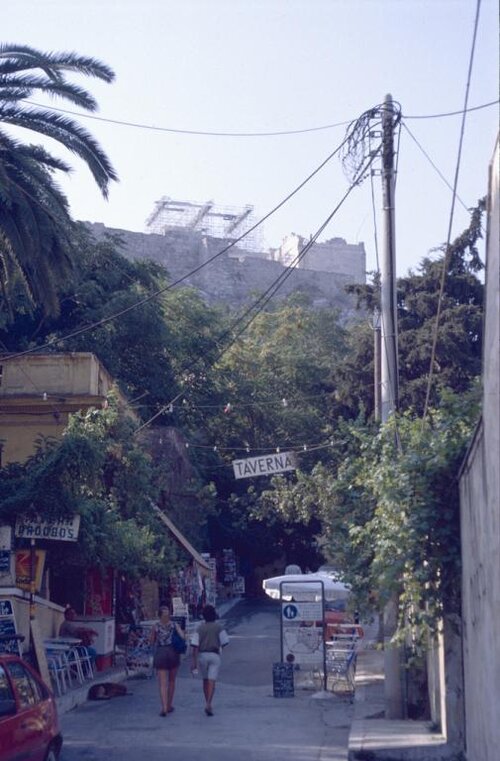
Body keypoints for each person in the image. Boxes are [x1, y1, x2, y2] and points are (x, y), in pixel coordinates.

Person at [190, 604, 229, 716]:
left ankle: (207, 701)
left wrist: (194, 661)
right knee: (212, 680)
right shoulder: (218, 627)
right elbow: (225, 642)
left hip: (202, 656)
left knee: (205, 680)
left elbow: (195, 645)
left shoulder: (200, 628)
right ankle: (209, 703)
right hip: (214, 655)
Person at [149, 605, 186, 716]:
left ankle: (164, 707)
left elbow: (151, 641)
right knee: (172, 681)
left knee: (162, 683)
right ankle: (169, 705)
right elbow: (183, 637)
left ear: (159, 615)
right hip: (173, 653)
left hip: (160, 653)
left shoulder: (155, 626)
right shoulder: (174, 625)